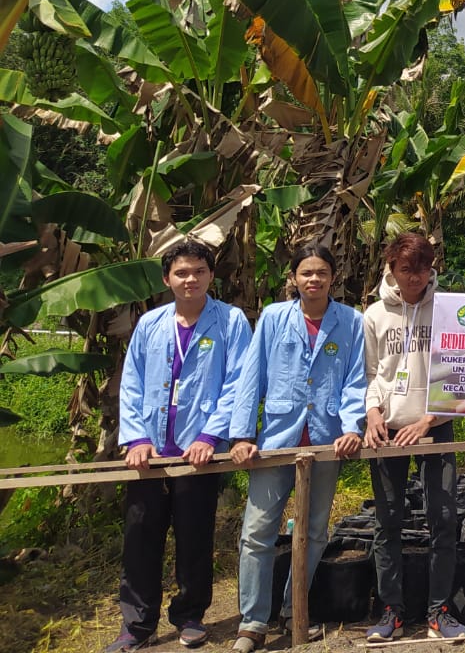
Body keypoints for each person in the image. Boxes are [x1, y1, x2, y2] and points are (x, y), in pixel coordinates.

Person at [106, 240, 251, 653]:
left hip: (198, 451)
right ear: (167, 278)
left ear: (211, 275)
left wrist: (210, 436)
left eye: (199, 271)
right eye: (182, 273)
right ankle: (138, 625)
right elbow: (131, 383)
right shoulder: (150, 323)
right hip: (150, 452)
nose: (191, 280)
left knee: (194, 535)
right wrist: (136, 438)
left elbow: (237, 383)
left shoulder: (231, 321)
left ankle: (190, 616)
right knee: (140, 535)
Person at [228, 244, 366, 653]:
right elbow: (252, 376)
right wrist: (242, 434)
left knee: (315, 531)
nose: (314, 279)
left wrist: (351, 427)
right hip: (276, 440)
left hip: (326, 441)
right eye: (306, 272)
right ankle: (253, 622)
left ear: (333, 277)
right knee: (257, 532)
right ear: (294, 278)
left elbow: (355, 380)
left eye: (322, 272)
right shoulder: (274, 317)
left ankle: (295, 609)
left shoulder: (351, 321)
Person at [362, 232, 465, 643]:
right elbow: (371, 373)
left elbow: (458, 372)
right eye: (406, 268)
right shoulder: (374, 315)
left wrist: (428, 420)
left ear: (431, 269)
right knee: (387, 521)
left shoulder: (447, 311)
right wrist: (373, 413)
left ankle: (439, 611)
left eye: (422, 268)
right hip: (387, 432)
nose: (414, 277)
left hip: (435, 429)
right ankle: (391, 611)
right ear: (391, 268)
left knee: (443, 518)